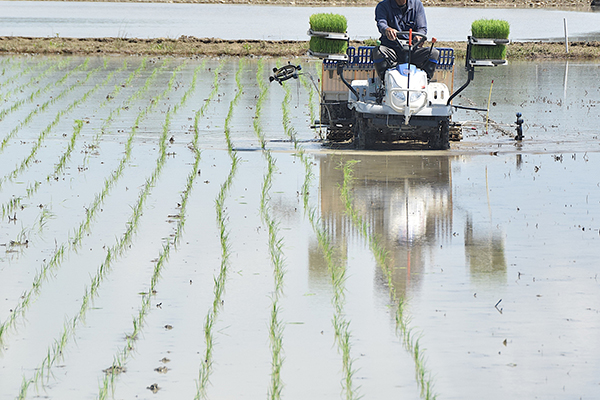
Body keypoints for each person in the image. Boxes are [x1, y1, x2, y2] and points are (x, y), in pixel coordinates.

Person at [373, 0, 439, 80]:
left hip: (413, 50)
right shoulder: (383, 5)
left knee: (433, 53)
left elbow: (422, 28)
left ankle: (424, 80)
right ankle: (384, 81)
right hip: (392, 49)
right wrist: (387, 30)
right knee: (378, 51)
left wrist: (419, 37)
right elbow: (381, 23)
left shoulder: (417, 5)